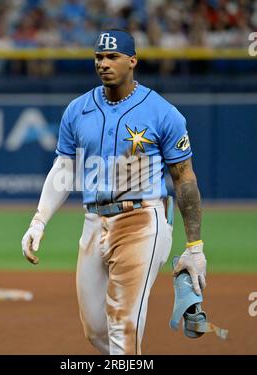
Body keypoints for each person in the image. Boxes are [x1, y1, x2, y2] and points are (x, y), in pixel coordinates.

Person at [21, 29, 206, 355]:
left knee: (123, 327)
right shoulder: (78, 109)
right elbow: (65, 169)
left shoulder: (163, 112)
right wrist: (39, 221)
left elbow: (184, 178)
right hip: (93, 222)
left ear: (132, 60)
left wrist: (194, 247)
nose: (104, 63)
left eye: (112, 56)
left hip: (142, 220)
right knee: (96, 330)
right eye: (99, 57)